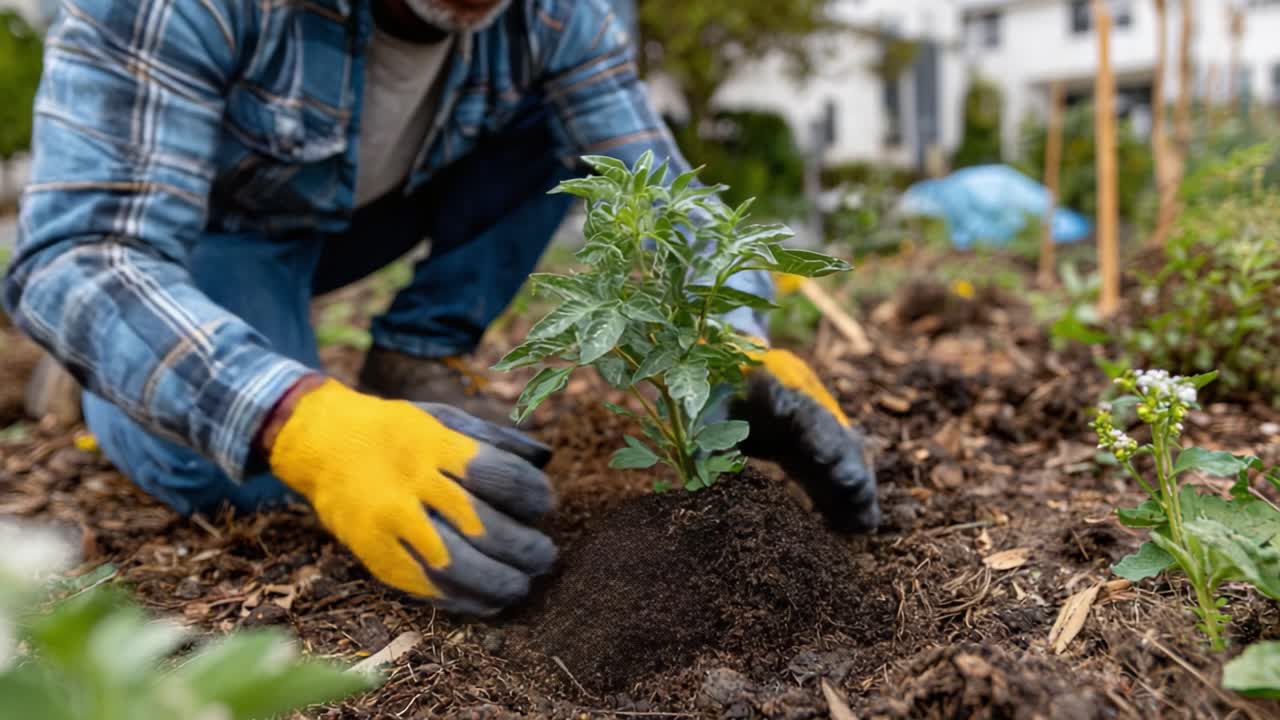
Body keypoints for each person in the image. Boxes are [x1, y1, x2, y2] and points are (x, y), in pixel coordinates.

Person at [4, 0, 880, 616]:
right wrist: (298, 422)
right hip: (216, 234)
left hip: (382, 204)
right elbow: (79, 254)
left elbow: (660, 188)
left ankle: (417, 351)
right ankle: (104, 369)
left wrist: (736, 343)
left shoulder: (558, 14)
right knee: (236, 474)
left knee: (571, 137)